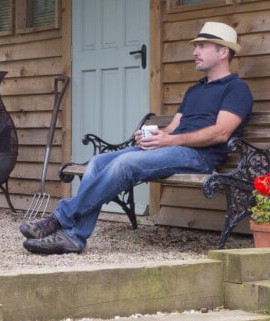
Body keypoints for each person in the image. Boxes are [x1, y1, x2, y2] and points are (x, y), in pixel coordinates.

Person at [19, 21, 254, 255]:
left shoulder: (236, 89)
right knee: (97, 162)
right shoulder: (195, 90)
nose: (195, 52)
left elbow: (221, 132)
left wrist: (169, 141)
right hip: (172, 149)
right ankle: (74, 237)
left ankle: (63, 218)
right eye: (196, 47)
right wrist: (151, 135)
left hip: (199, 156)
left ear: (223, 52)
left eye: (202, 46)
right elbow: (173, 127)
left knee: (126, 164)